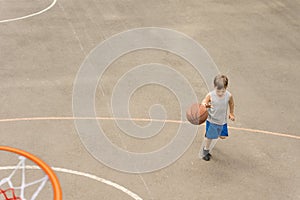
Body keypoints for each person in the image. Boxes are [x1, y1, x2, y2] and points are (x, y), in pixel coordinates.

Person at [201, 75, 235, 161]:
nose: (220, 93)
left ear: (226, 87)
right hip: (212, 120)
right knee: (210, 138)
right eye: (218, 90)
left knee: (223, 137)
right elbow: (204, 101)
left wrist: (231, 113)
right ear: (214, 87)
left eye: (222, 91)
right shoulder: (211, 95)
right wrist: (205, 105)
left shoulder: (228, 96)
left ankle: (212, 133)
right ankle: (205, 151)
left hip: (222, 121)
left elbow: (231, 104)